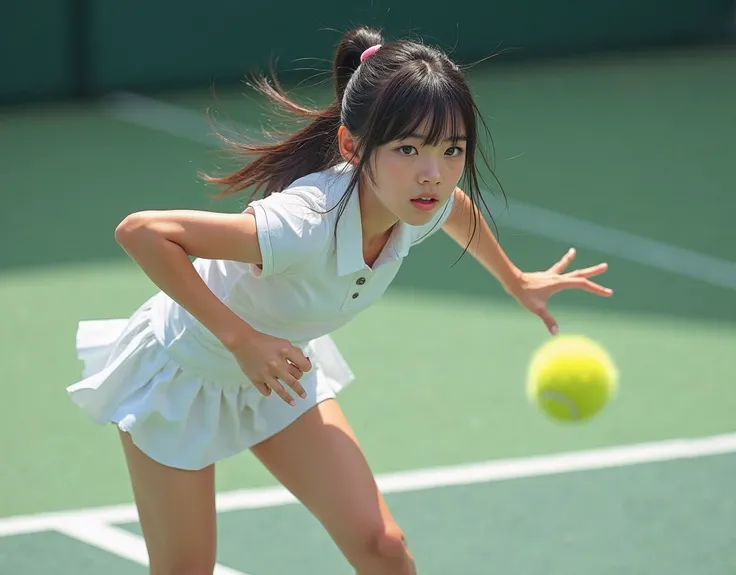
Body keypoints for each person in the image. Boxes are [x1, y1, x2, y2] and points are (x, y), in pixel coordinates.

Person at [67, 25, 611, 575]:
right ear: (353, 146)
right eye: (408, 149)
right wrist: (242, 340)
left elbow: (457, 207)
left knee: (384, 547)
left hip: (280, 372)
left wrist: (515, 279)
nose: (434, 173)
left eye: (452, 150)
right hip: (183, 374)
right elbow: (142, 231)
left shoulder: (420, 200)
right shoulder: (302, 223)